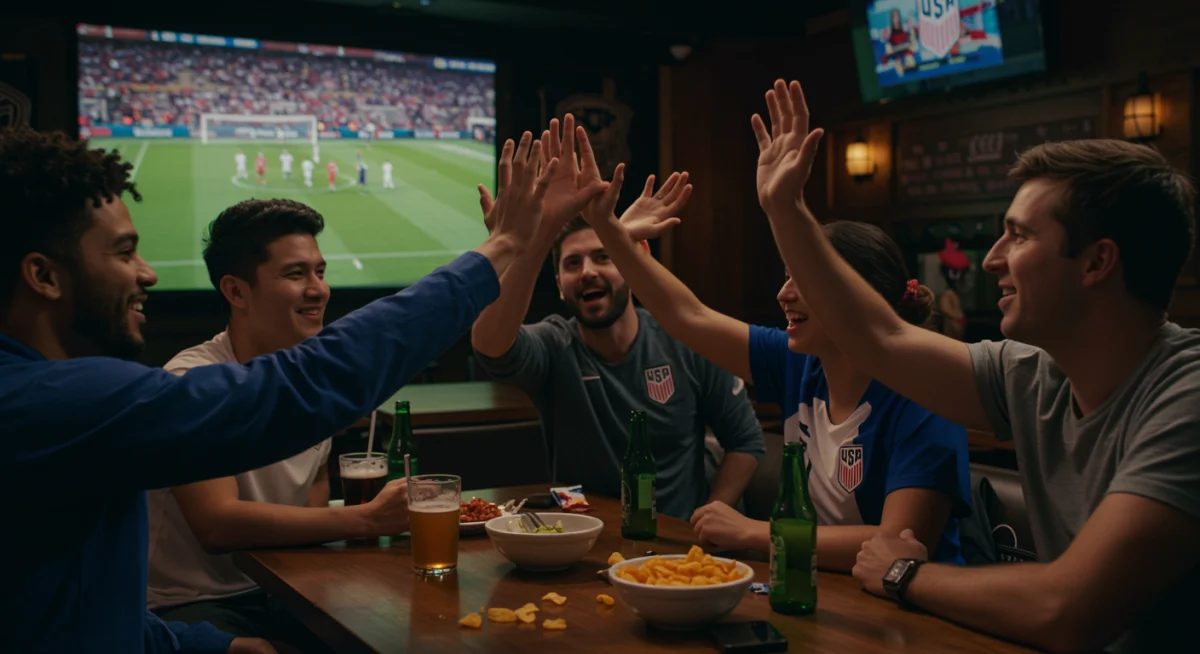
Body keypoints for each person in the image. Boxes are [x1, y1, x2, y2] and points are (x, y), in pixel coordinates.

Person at [0, 128, 564, 653]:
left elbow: (81, 611)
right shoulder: (56, 404)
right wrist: (502, 247)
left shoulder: (48, 405)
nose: (147, 273)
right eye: (123, 253)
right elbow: (308, 384)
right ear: (43, 276)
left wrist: (208, 647)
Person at [752, 79, 1200, 653]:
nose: (991, 259)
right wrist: (784, 209)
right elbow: (880, 338)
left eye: (1017, 236)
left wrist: (903, 573)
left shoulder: (1184, 398)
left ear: (1097, 262)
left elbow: (1066, 610)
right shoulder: (1037, 376)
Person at [575, 132, 969, 569]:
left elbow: (897, 542)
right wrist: (611, 235)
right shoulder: (798, 361)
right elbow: (687, 317)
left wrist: (754, 532)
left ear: (861, 294)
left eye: (801, 278)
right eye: (786, 275)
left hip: (920, 623)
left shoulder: (928, 393)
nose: (784, 294)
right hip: (826, 594)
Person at [146, 199, 410, 649]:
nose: (319, 290)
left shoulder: (315, 377)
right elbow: (218, 524)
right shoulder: (192, 382)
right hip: (188, 606)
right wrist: (365, 520)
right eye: (295, 274)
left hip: (279, 586)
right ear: (235, 291)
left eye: (320, 272)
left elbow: (310, 504)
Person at [472, 115, 765, 521]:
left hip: (679, 555)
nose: (588, 271)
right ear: (559, 285)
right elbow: (489, 343)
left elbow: (747, 442)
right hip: (580, 547)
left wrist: (711, 515)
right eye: (572, 263)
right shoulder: (556, 345)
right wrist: (542, 232)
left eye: (604, 256)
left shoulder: (684, 337)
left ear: (628, 266)